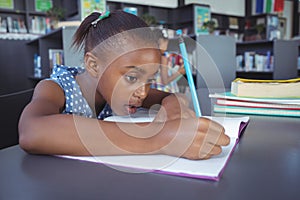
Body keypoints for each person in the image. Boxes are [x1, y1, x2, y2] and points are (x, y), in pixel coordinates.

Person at [18, 10, 229, 160]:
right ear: (93, 65)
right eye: (132, 77)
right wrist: (160, 137)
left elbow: (171, 97)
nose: (143, 91)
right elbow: (31, 131)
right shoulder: (55, 89)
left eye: (149, 79)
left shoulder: (127, 92)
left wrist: (172, 113)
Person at [151, 28, 186, 93]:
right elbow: (165, 81)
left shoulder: (151, 58)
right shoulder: (163, 58)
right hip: (165, 92)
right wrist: (180, 72)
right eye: (166, 44)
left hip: (154, 91)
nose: (166, 47)